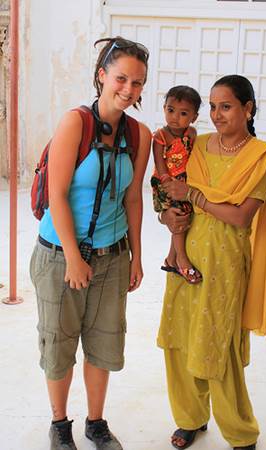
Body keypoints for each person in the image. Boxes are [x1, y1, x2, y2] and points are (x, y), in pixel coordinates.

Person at [29, 36, 151, 450]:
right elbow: (58, 195)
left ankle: (95, 423)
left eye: (138, 83)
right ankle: (60, 424)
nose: (129, 90)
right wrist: (74, 260)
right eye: (121, 78)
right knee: (59, 344)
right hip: (60, 256)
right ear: (102, 76)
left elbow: (132, 197)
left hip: (112, 257)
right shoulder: (75, 123)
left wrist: (135, 254)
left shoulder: (139, 134)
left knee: (104, 343)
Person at [157, 74, 266, 450]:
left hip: (226, 263)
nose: (216, 114)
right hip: (186, 254)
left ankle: (240, 431)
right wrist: (167, 216)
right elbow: (168, 192)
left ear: (247, 109)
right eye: (212, 107)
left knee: (217, 345)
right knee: (179, 341)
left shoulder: (262, 157)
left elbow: (241, 216)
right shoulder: (193, 145)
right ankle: (190, 419)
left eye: (225, 106)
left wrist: (193, 194)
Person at [151, 85, 202, 284]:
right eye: (170, 110)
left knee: (185, 217)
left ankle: (171, 258)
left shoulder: (192, 134)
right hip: (167, 183)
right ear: (164, 108)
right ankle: (182, 259)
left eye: (183, 113)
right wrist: (167, 182)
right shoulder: (160, 136)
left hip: (184, 182)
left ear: (194, 117)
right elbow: (159, 161)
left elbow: (194, 156)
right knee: (179, 216)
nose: (175, 117)